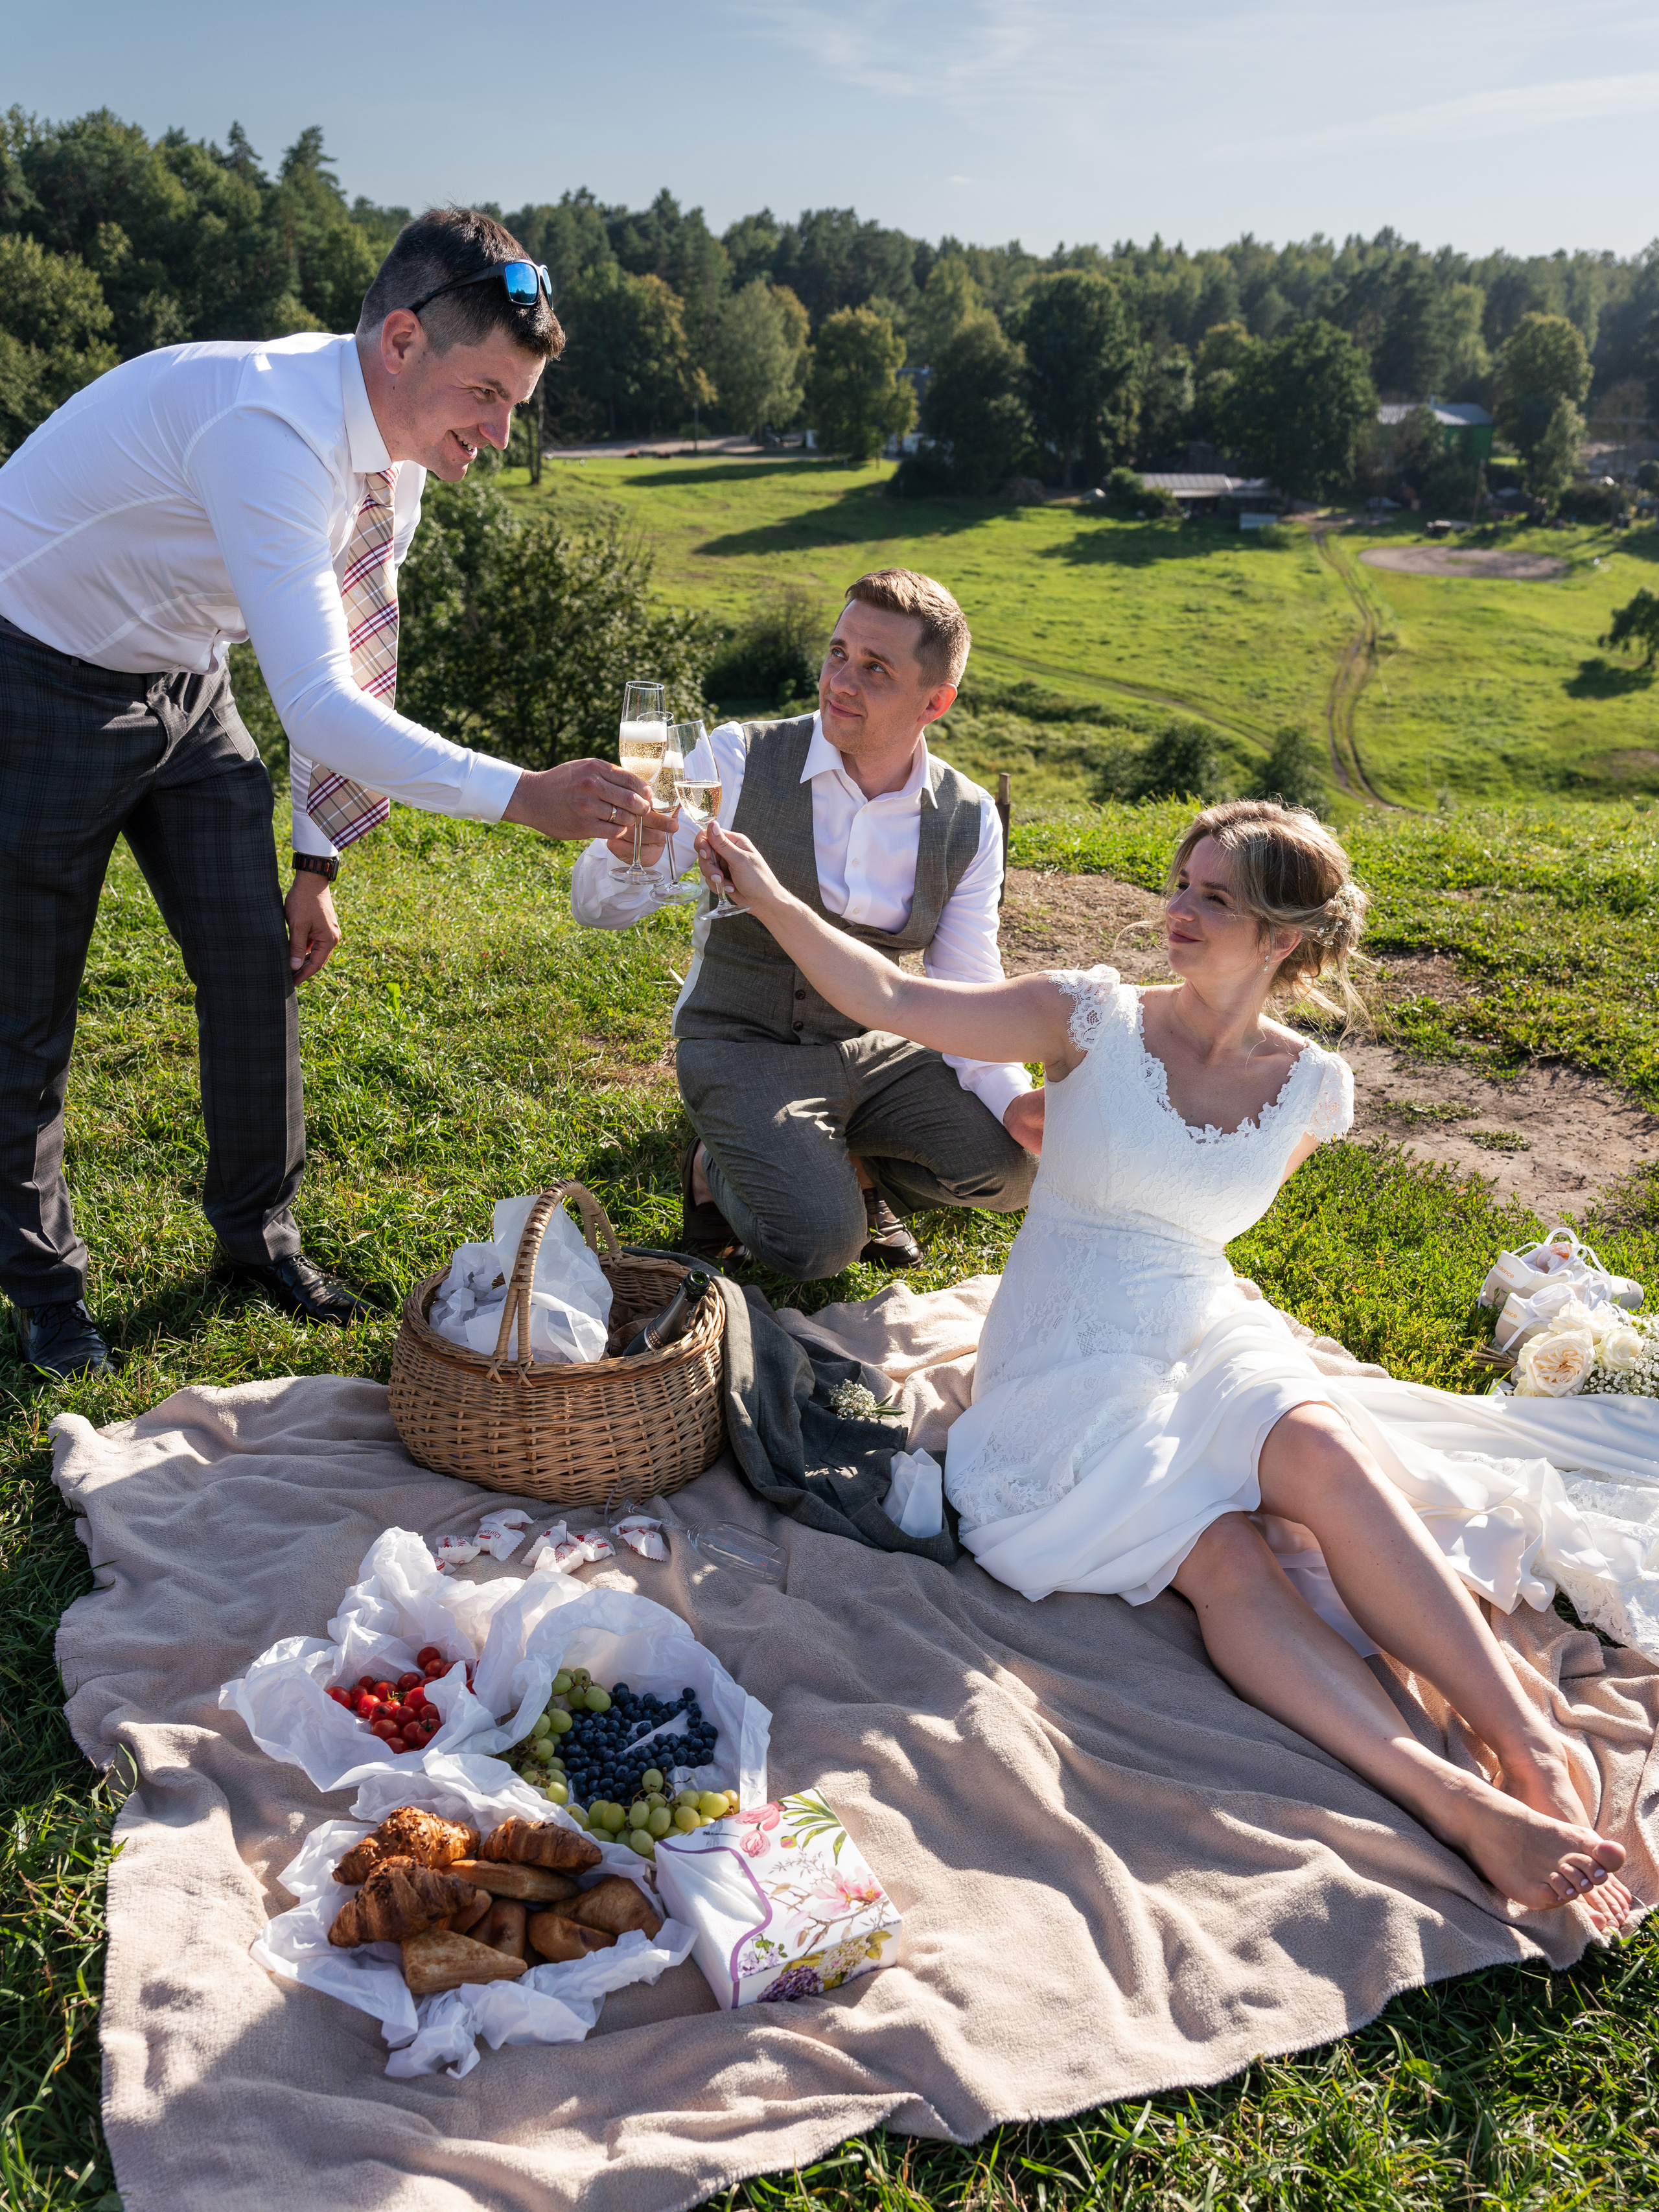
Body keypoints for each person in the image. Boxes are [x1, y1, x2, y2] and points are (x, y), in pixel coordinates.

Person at [699, 796, 1659, 1927]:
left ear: (1284, 939)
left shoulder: (1312, 1087)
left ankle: (1531, 1741)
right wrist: (766, 892)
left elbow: (1187, 1219)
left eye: (1216, 897)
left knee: (1317, 1442)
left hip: (1198, 1328)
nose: (1180, 911)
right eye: (1182, 884)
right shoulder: (1088, 1017)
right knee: (1227, 1559)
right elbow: (898, 999)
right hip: (1063, 1364)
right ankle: (1454, 1798)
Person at [0, 208, 656, 1377]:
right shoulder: (272, 427)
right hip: (37, 671)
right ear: (400, 341)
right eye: (488, 395)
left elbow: (353, 650)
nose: (501, 434)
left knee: (256, 963)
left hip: (186, 679)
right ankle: (48, 1293)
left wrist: (317, 862)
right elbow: (317, 705)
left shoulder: (395, 453)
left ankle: (258, 1238)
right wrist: (524, 796)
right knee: (26, 1013)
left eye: (517, 402)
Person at [570, 568, 1041, 1276]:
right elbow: (597, 907)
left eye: (875, 668)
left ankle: (845, 1166)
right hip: (741, 1041)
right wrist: (628, 855)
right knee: (821, 1247)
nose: (840, 681)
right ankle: (714, 1169)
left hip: (876, 1050)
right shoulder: (736, 758)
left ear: (934, 701)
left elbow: (970, 987)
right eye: (837, 652)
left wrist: (1015, 1105)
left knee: (1012, 1170)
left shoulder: (967, 817)